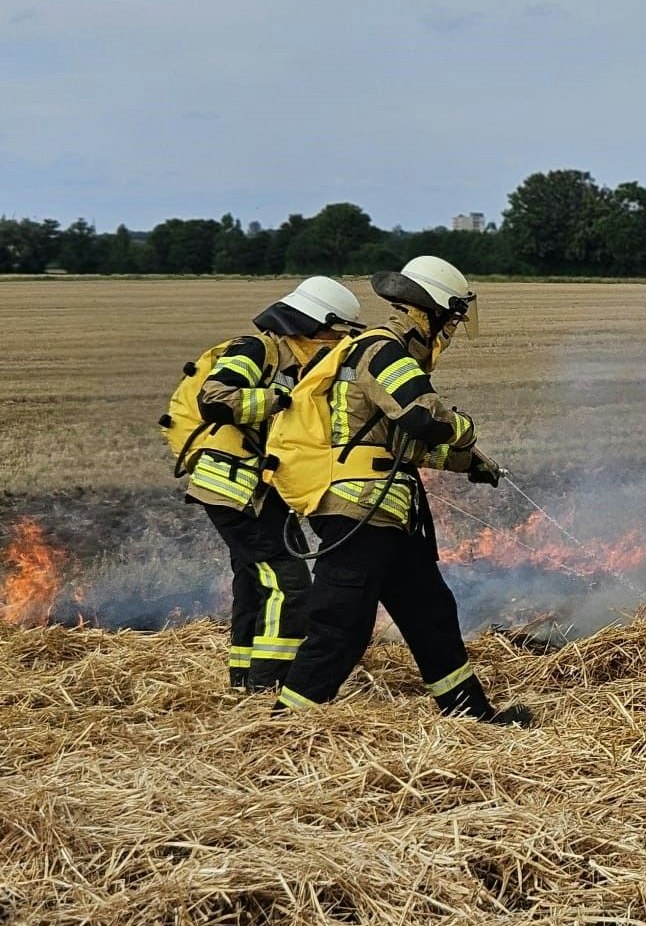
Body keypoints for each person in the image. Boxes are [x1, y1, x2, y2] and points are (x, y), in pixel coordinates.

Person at [264, 255, 531, 725]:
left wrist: (470, 464)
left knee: (431, 613)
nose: (448, 335)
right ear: (431, 312)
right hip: (358, 511)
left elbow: (399, 446)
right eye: (450, 322)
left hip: (388, 515)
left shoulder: (382, 353)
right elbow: (424, 418)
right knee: (341, 625)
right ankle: (284, 728)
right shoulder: (384, 349)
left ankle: (470, 715)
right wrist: (466, 430)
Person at [160, 276, 364, 689]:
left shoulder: (292, 360)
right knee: (288, 583)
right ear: (312, 324)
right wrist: (277, 401)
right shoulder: (255, 349)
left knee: (254, 582)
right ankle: (268, 684)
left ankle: (244, 677)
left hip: (260, 490)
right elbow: (216, 397)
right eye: (334, 333)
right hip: (232, 490)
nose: (336, 343)